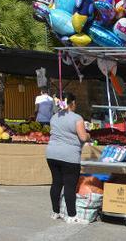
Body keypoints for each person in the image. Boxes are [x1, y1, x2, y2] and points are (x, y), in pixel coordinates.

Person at [46, 92, 90, 223]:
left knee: (56, 182)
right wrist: (89, 135)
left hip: (52, 154)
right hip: (69, 156)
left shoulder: (54, 117)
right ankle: (72, 216)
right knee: (70, 185)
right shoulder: (77, 118)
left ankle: (55, 212)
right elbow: (83, 137)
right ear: (72, 103)